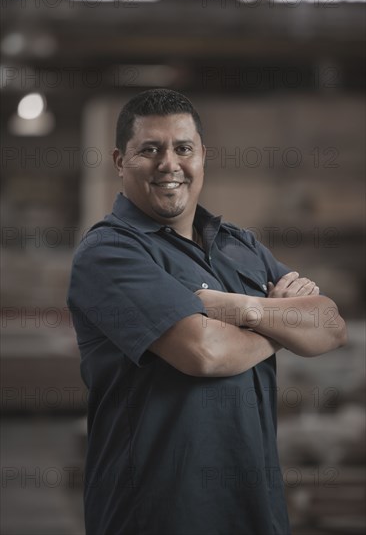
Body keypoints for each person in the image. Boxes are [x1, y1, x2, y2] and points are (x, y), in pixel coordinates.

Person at [67, 88, 347, 535]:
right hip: (158, 513)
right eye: (150, 150)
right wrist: (282, 319)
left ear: (203, 157)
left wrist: (240, 308)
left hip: (254, 506)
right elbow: (204, 353)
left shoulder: (240, 244)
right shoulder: (110, 253)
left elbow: (330, 326)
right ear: (120, 162)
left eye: (183, 148)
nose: (169, 164)